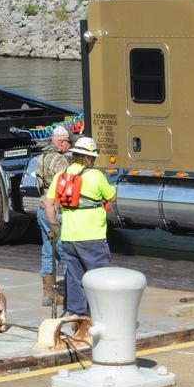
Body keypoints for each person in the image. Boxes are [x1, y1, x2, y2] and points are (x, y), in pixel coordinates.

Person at [42, 136, 116, 318]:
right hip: (93, 237)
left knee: (75, 277)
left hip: (69, 237)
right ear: (90, 158)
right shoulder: (95, 176)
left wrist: (54, 226)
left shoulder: (62, 175)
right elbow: (112, 197)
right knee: (98, 277)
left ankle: (75, 313)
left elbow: (48, 203)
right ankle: (100, 314)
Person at [35, 126, 72, 306]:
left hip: (42, 208)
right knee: (66, 252)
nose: (69, 146)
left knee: (48, 252)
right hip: (56, 211)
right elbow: (65, 188)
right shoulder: (61, 161)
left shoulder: (40, 158)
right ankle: (66, 293)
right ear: (62, 142)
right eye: (68, 142)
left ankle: (48, 294)